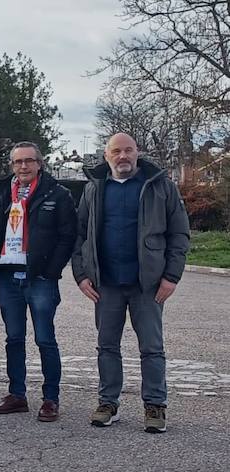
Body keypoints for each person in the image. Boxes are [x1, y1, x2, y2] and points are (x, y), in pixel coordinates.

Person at [72, 133, 189, 434]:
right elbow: (80, 235)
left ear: (137, 153)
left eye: (128, 150)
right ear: (106, 155)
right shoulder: (94, 189)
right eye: (116, 151)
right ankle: (107, 403)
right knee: (107, 346)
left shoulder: (161, 187)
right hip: (106, 284)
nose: (122, 156)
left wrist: (171, 277)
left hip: (147, 285)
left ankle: (155, 405)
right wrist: (82, 274)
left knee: (151, 348)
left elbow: (179, 234)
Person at [0, 142, 77, 422]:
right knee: (13, 339)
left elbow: (68, 236)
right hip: (7, 275)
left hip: (39, 278)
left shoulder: (58, 194)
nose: (23, 166)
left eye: (29, 161)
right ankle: (17, 394)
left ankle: (51, 399)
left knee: (45, 339)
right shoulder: (3, 192)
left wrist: (50, 271)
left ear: (40, 163)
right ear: (12, 165)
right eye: (18, 162)